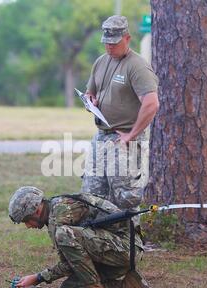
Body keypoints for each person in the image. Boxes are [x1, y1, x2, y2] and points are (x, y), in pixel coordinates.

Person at [8, 186, 155, 288]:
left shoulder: (59, 215)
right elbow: (75, 260)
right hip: (116, 251)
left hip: (125, 250)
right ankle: (127, 285)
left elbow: (68, 264)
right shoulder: (55, 208)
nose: (27, 226)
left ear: (37, 210)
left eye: (26, 220)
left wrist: (38, 277)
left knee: (64, 234)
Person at [81, 15, 159, 211]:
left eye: (114, 43)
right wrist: (90, 99)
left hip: (126, 139)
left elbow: (151, 104)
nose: (109, 47)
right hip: (101, 136)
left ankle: (131, 239)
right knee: (92, 194)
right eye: (106, 42)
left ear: (127, 38)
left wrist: (131, 135)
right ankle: (100, 238)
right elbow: (91, 91)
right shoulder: (100, 62)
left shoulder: (137, 66)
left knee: (125, 198)